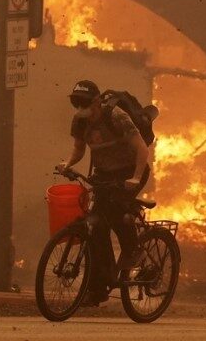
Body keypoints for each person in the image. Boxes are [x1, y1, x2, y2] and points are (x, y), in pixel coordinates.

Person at [57, 80, 150, 306]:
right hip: (104, 174)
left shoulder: (116, 117)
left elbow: (141, 148)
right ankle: (100, 287)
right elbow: (79, 149)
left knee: (117, 214)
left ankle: (134, 251)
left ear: (97, 102)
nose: (80, 108)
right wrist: (68, 164)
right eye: (76, 103)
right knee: (96, 227)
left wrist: (135, 178)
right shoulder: (80, 121)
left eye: (85, 103)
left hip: (130, 171)